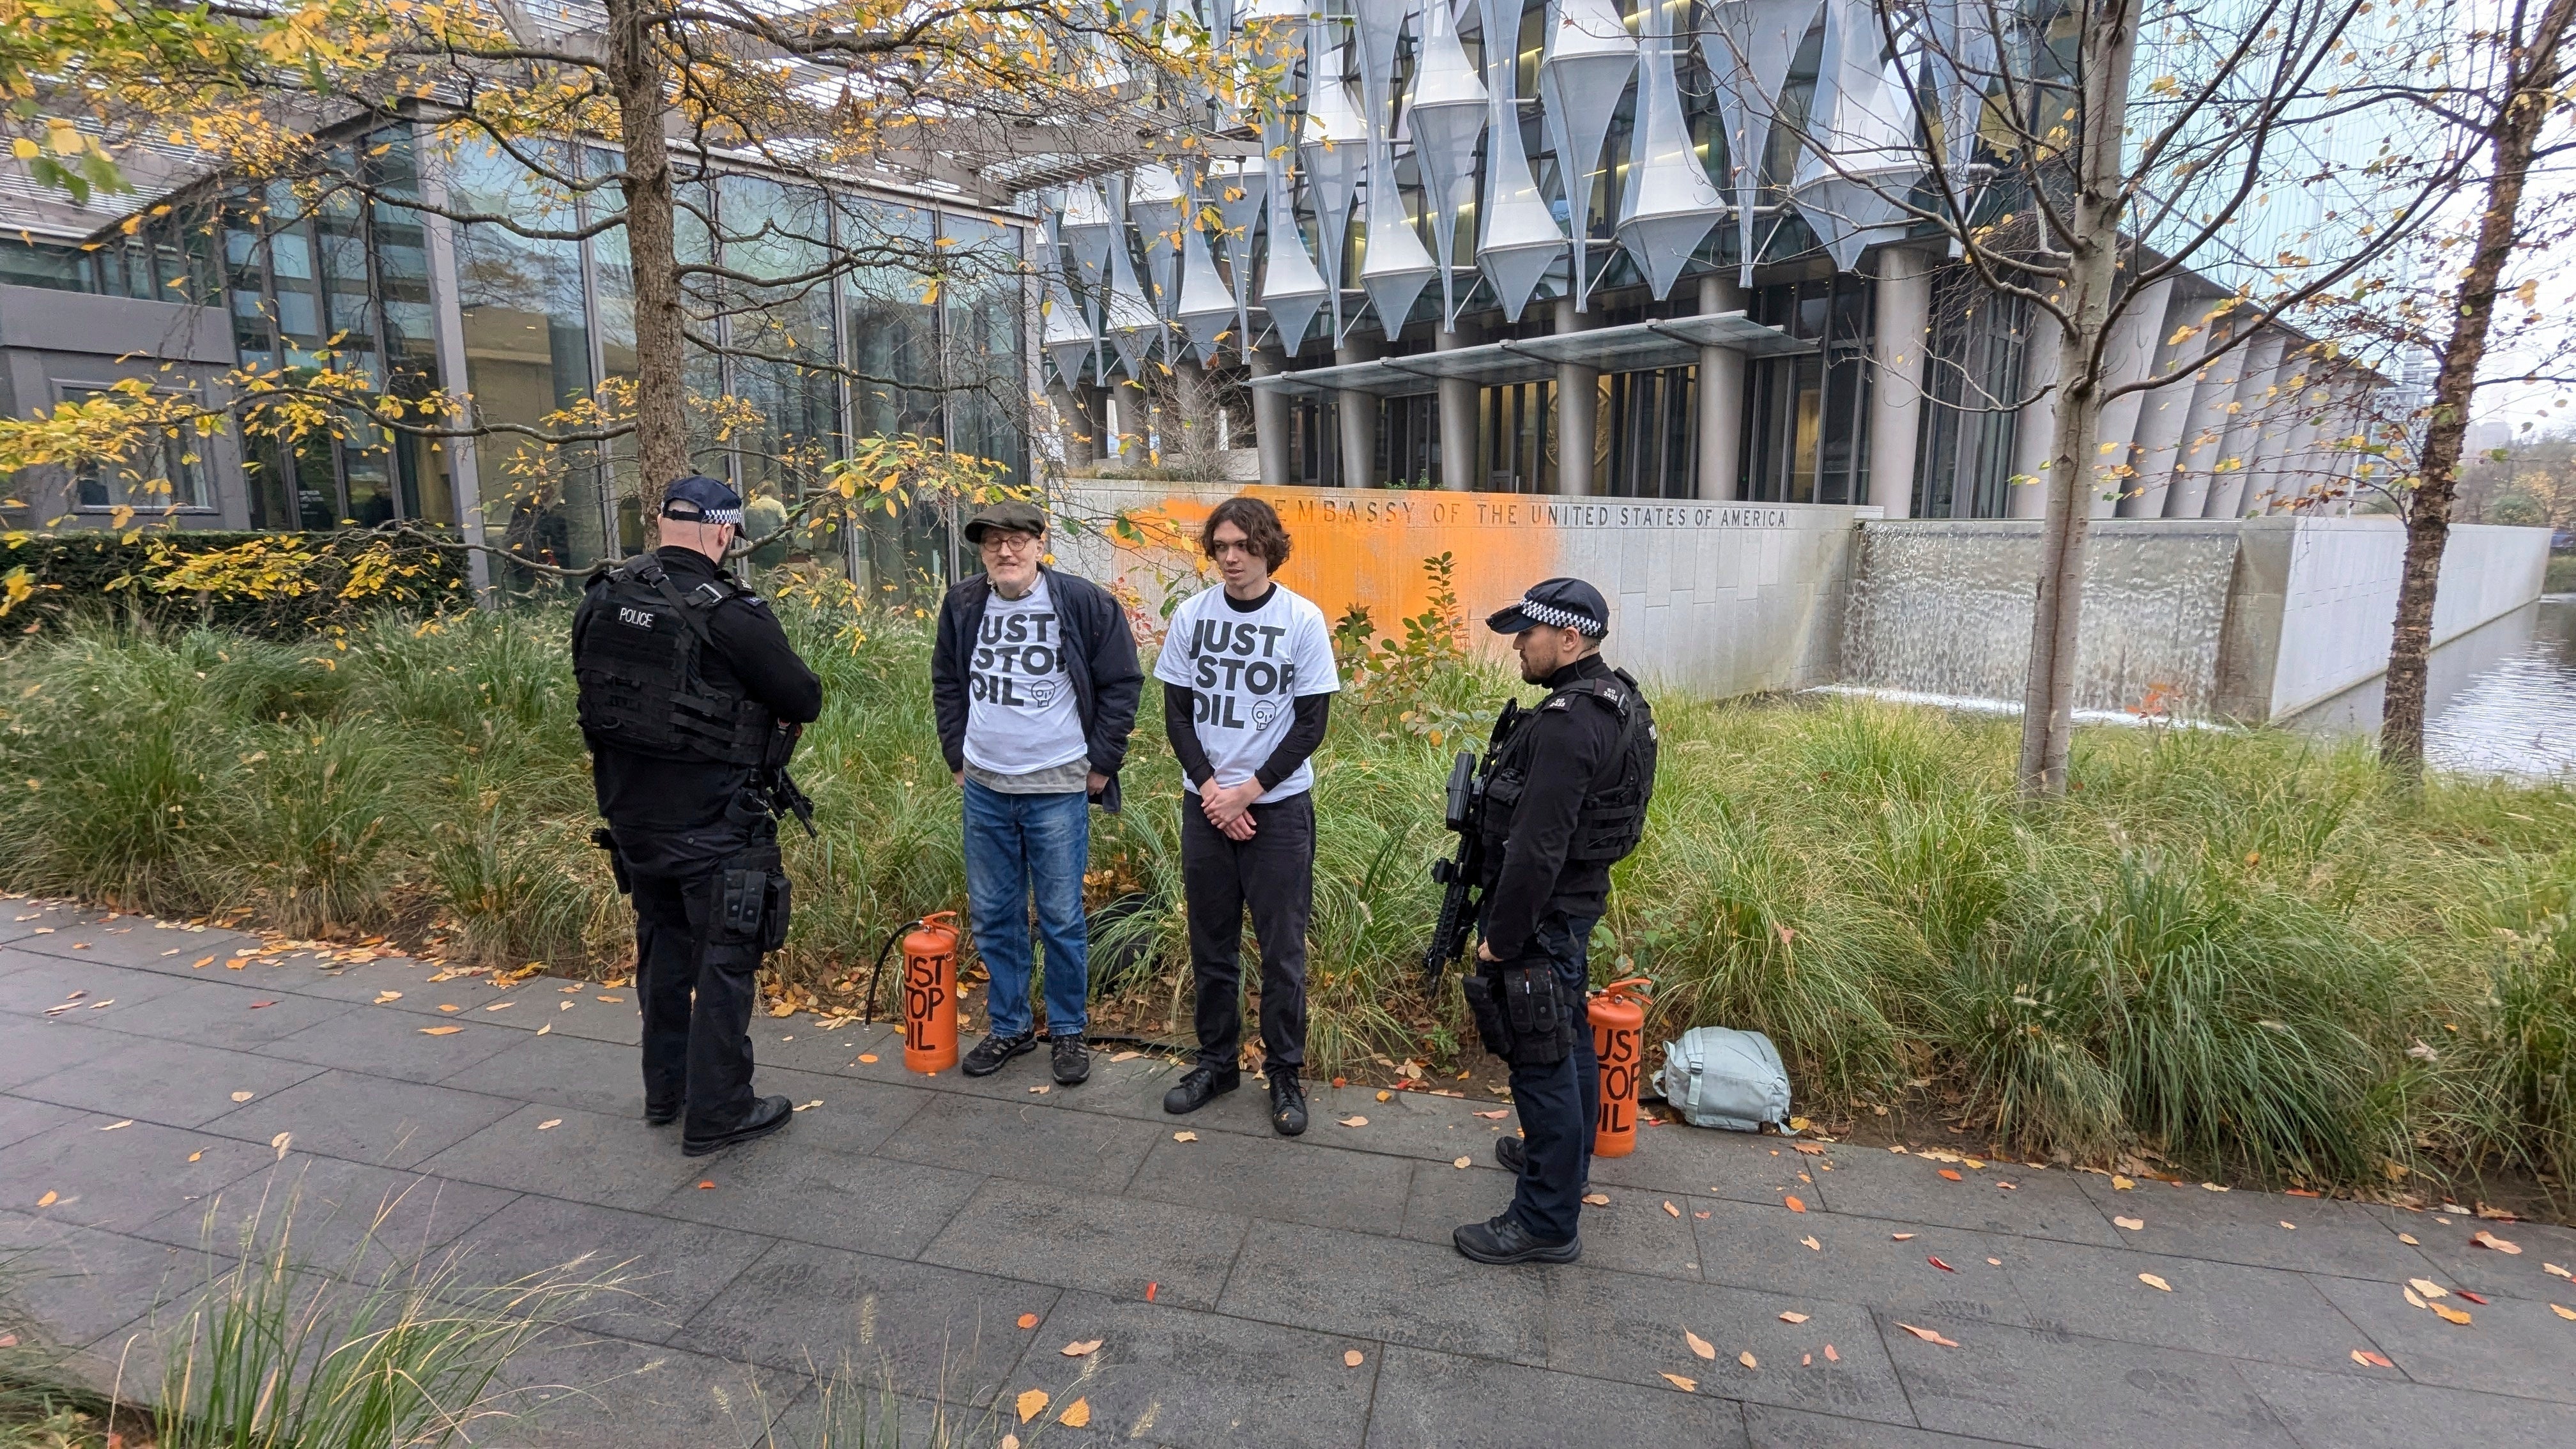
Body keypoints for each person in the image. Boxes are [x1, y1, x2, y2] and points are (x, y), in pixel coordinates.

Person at [572, 474, 823, 1157]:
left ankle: (666, 1093)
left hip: (630, 820)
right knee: (724, 959)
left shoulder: (602, 597)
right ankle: (719, 1111)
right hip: (716, 822)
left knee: (662, 951)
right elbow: (803, 697)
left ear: (660, 523)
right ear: (722, 531)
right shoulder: (729, 612)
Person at [1455, 578, 1657, 1265]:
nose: (1517, 645)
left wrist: (1500, 942)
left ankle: (1545, 1220)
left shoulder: (1569, 724)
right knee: (1569, 1042)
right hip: (1574, 906)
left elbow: (1536, 847)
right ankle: (1564, 1164)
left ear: (1569, 639)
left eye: (1528, 634)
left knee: (1541, 1060)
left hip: (1541, 919)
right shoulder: (1618, 700)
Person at [932, 499, 1142, 1086]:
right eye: (993, 541)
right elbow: (947, 680)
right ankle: (1010, 1026)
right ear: (981, 550)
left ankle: (1069, 1029)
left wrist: (1101, 764)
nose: (1005, 551)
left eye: (1017, 539)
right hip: (985, 787)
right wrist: (958, 756)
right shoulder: (964, 602)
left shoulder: (1081, 602)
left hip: (1056, 784)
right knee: (996, 914)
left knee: (1060, 916)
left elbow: (1123, 681)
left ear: (1040, 542)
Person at [1153, 496, 1340, 1135]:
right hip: (1206, 806)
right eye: (1222, 547)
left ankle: (1285, 1070)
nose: (1231, 558)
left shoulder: (1301, 620)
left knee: (1282, 950)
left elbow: (1312, 723)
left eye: (1244, 546)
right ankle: (1217, 1062)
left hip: (1279, 811)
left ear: (1268, 547)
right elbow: (1177, 714)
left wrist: (1248, 791)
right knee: (1212, 943)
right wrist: (1213, 790)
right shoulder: (1191, 616)